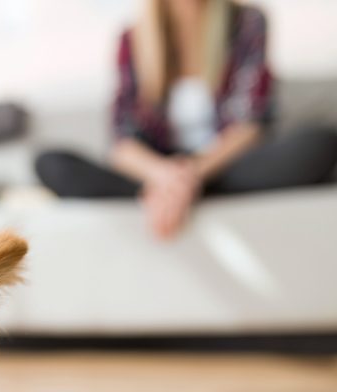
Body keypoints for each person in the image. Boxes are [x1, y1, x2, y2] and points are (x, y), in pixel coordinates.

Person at [35, 0, 337, 240]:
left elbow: (251, 124)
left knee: (320, 142)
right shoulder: (133, 38)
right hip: (158, 169)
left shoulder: (248, 22)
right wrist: (165, 177)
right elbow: (122, 142)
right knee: (50, 163)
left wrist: (190, 175)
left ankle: (170, 197)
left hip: (224, 167)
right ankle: (171, 194)